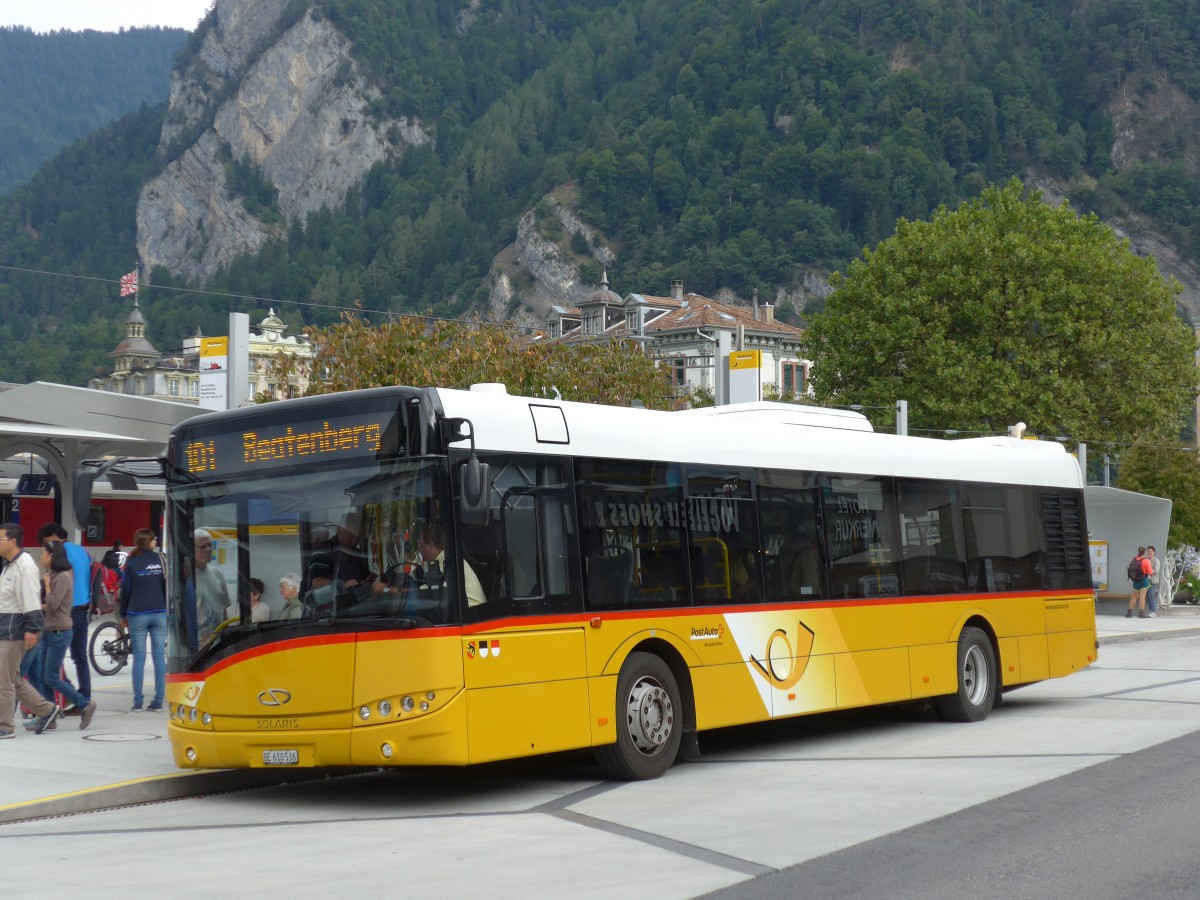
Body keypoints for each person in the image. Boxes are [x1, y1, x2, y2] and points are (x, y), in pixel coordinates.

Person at [0, 522, 60, 739]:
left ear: (12, 541)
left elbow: (30, 600)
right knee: (13, 678)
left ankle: (5, 726)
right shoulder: (9, 564)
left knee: (3, 681)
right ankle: (46, 709)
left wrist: (33, 629)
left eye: (0, 539)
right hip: (6, 627)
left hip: (13, 630)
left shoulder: (24, 565)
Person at [39, 541, 97, 728]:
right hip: (49, 630)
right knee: (43, 675)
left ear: (52, 556)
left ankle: (84, 704)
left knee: (51, 677)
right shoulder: (53, 575)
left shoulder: (63, 577)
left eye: (43, 553)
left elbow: (54, 605)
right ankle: (49, 715)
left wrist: (47, 586)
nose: (41, 557)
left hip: (59, 631)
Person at [120, 529, 167, 712]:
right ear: (150, 542)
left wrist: (123, 613)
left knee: (139, 658)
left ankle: (138, 701)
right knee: (158, 658)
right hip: (159, 611)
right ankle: (158, 701)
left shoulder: (131, 561)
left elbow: (126, 589)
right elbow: (166, 586)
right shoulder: (161, 559)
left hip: (137, 613)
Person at [417, 523, 485, 607]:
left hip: (473, 617)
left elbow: (432, 592)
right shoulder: (446, 560)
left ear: (430, 545)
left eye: (420, 545)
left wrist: (407, 592)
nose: (419, 549)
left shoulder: (448, 565)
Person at [193, 529, 230, 642]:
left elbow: (223, 609)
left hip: (218, 638)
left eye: (210, 545)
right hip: (198, 642)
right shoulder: (185, 576)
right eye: (204, 546)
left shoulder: (217, 573)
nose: (209, 550)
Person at [1126, 547, 1152, 618]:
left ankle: (1129, 612)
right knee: (1142, 596)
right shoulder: (1146, 561)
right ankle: (1141, 613)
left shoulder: (1134, 560)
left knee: (1134, 596)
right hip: (1144, 580)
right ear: (1144, 552)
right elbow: (1150, 572)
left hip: (1135, 581)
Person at [1147, 545, 1162, 618]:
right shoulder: (1146, 560)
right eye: (1148, 551)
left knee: (1151, 595)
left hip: (1153, 581)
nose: (1149, 552)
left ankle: (1153, 611)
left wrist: (1148, 571)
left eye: (1150, 551)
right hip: (1146, 580)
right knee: (1148, 596)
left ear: (1154, 552)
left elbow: (1156, 570)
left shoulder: (1156, 560)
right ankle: (1151, 611)